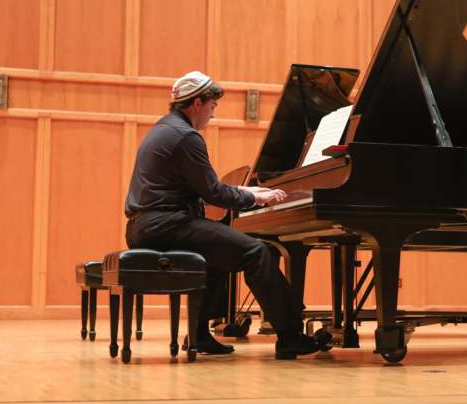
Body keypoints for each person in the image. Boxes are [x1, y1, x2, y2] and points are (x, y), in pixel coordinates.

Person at [124, 70, 320, 360]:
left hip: (145, 225)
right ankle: (291, 337)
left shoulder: (165, 129)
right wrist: (255, 195)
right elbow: (213, 193)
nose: (213, 115)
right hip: (167, 225)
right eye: (213, 107)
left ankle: (201, 334)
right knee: (257, 252)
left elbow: (205, 187)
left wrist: (244, 191)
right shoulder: (186, 137)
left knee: (219, 254)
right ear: (197, 103)